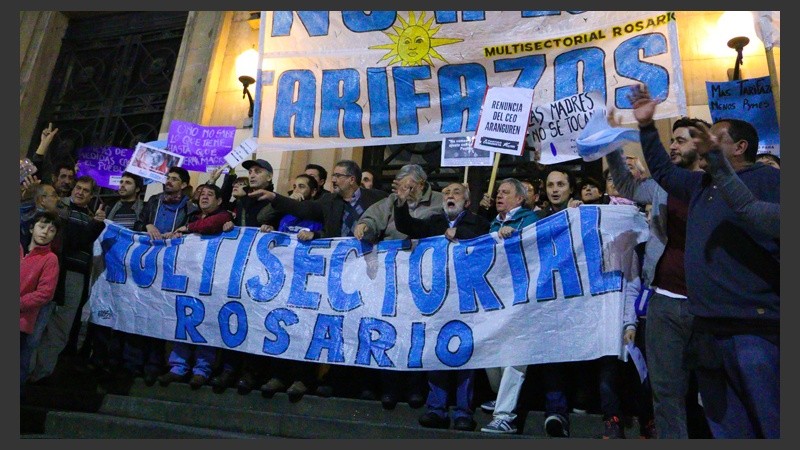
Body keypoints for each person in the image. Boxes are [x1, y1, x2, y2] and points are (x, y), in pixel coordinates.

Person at [631, 83, 779, 439]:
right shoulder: (700, 186)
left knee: (771, 420)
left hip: (753, 329)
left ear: (740, 147)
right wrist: (647, 128)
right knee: (726, 424)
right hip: (707, 328)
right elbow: (664, 174)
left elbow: (755, 214)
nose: (702, 144)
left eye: (715, 139)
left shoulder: (768, 180)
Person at [603, 114, 710, 439]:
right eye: (671, 139)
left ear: (702, 145)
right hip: (663, 303)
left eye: (681, 140)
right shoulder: (662, 186)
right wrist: (611, 145)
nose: (673, 145)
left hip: (708, 307)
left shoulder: (718, 186)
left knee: (714, 393)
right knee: (666, 394)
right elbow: (626, 185)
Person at [250, 160, 388, 398]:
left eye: (337, 176)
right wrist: (274, 197)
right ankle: (335, 378)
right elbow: (303, 210)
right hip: (336, 274)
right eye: (332, 175)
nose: (333, 180)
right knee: (336, 324)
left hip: (368, 271)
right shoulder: (329, 201)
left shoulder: (376, 198)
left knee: (362, 325)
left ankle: (365, 382)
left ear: (352, 180)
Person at [394, 182, 489, 432]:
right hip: (438, 299)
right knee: (438, 351)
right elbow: (407, 226)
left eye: (456, 192)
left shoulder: (477, 223)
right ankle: (436, 408)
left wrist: (460, 236)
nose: (450, 196)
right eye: (446, 193)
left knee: (465, 355)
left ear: (467, 202)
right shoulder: (434, 222)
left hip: (468, 299)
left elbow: (487, 245)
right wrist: (401, 204)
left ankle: (463, 411)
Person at [353, 164, 442, 409]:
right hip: (392, 277)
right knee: (390, 329)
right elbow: (372, 217)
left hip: (424, 277)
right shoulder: (391, 201)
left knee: (416, 333)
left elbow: (419, 226)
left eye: (410, 186)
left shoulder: (439, 201)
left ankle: (414, 388)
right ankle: (389, 388)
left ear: (422, 186)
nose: (404, 191)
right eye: (401, 186)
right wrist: (365, 227)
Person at [122, 166, 198, 387]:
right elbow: (138, 225)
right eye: (167, 178)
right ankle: (132, 364)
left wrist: (180, 232)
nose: (169, 182)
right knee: (138, 313)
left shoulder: (189, 208)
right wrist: (147, 224)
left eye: (174, 179)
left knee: (159, 316)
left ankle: (153, 366)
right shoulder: (153, 201)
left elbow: (192, 232)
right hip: (146, 265)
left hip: (169, 269)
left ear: (184, 185)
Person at [479, 178, 541, 435]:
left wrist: (514, 236)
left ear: (520, 198)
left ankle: (505, 415)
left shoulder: (529, 220)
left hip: (521, 297)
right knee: (490, 352)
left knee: (515, 355)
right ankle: (503, 395)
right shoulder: (494, 221)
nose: (498, 196)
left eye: (505, 192)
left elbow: (534, 246)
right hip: (496, 297)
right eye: (497, 192)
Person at [28, 175, 105, 383]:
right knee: (40, 324)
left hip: (76, 278)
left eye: (85, 190)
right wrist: (95, 226)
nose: (80, 192)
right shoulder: (59, 212)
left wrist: (95, 224)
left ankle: (41, 373)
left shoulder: (91, 218)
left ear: (92, 196)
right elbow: (72, 241)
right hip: (55, 273)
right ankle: (27, 369)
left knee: (60, 327)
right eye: (78, 188)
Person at [157, 184, 233, 390]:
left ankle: (202, 370)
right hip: (190, 280)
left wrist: (188, 229)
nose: (204, 197)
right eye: (202, 194)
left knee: (206, 323)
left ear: (219, 201)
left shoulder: (223, 217)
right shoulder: (192, 219)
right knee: (185, 321)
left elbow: (213, 224)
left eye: (210, 195)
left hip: (213, 282)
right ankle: (178, 367)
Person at [691, 124, 779, 238]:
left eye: (715, 141)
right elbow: (747, 206)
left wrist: (715, 158)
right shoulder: (702, 181)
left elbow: (746, 207)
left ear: (739, 148)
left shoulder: (771, 178)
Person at [21, 211, 61, 396]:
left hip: (22, 321)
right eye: (42, 227)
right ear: (31, 228)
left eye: (51, 230)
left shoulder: (50, 259)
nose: (45, 232)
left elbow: (45, 293)